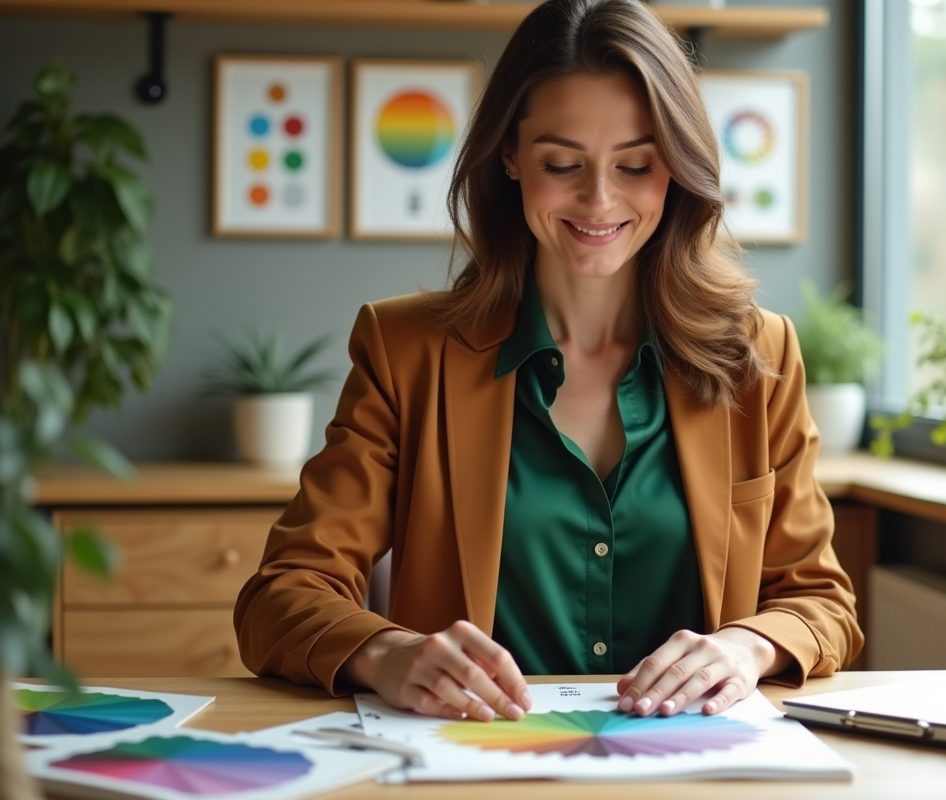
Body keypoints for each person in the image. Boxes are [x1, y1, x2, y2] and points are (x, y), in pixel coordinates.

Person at [234, 0, 862, 725]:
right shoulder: (404, 352)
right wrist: (388, 653)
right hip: (479, 756)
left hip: (694, 761)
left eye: (636, 164)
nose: (599, 199)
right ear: (509, 156)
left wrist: (746, 647)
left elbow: (822, 602)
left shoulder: (759, 356)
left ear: (678, 167)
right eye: (562, 164)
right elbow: (281, 594)